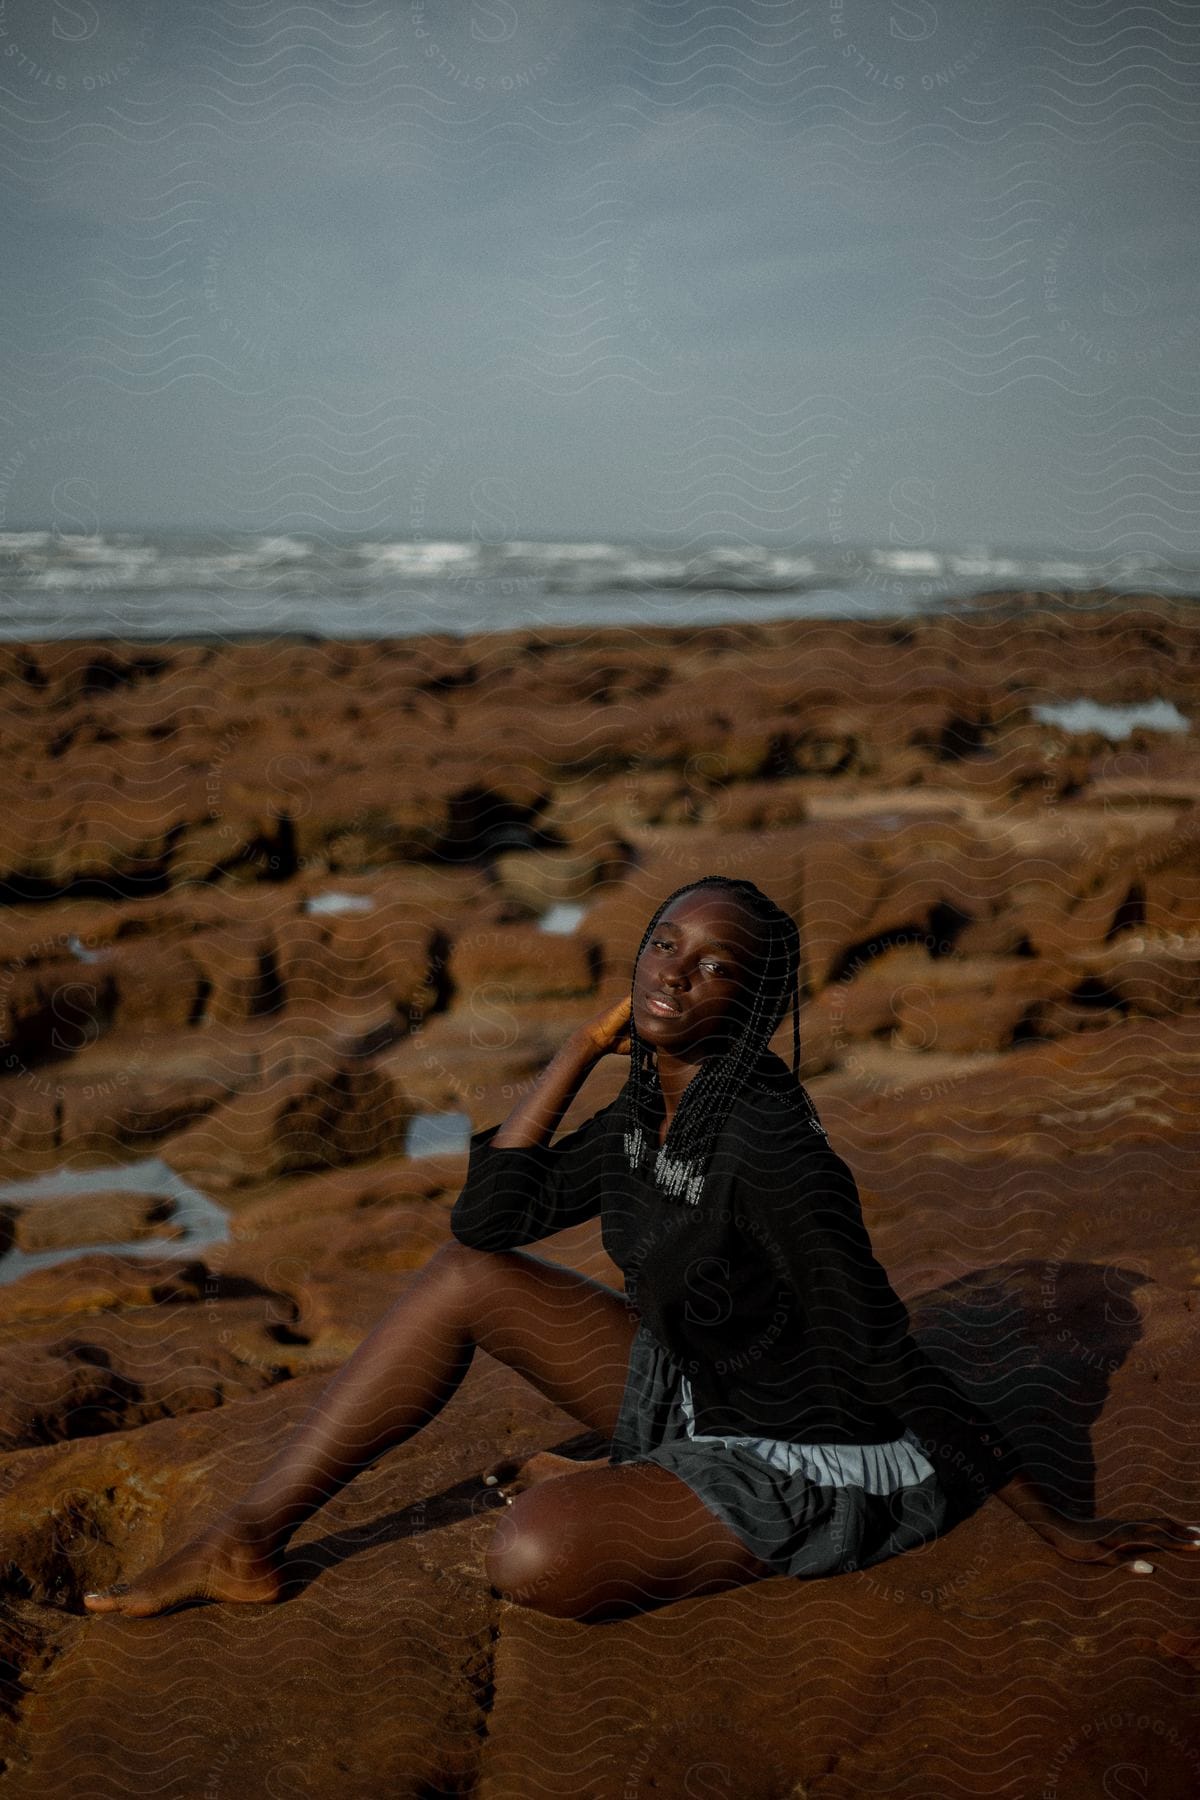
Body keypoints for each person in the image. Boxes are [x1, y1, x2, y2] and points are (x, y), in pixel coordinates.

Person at [84, 876, 1200, 1621]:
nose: (672, 973)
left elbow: (879, 1356)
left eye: (714, 967)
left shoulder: (768, 1146)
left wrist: (1058, 1529)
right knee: (467, 1281)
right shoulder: (643, 1107)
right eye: (665, 945)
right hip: (697, 1391)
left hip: (808, 1452)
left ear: (754, 1002)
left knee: (530, 1556)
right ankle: (246, 1535)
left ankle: (636, 1483)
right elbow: (484, 1226)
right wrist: (576, 1045)